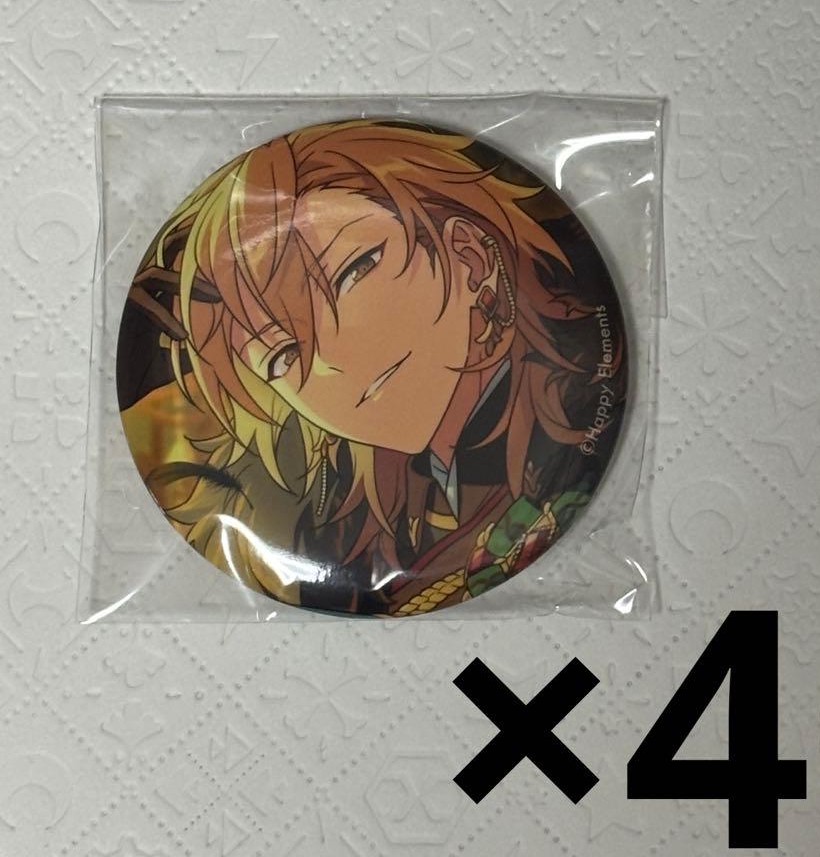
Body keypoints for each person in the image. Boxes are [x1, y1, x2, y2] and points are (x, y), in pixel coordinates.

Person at [118, 119, 626, 616]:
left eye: (352, 273)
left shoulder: (571, 404)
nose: (329, 363)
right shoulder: (356, 523)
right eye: (282, 355)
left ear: (468, 255)